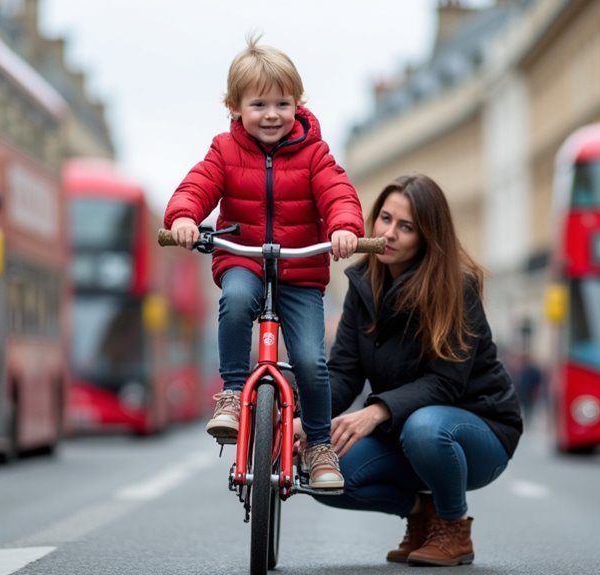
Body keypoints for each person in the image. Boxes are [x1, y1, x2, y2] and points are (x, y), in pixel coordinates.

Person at [163, 34, 365, 490]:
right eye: (258, 104)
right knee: (235, 300)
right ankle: (233, 393)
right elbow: (196, 187)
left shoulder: (315, 153)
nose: (271, 114)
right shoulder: (223, 150)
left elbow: (338, 193)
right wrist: (183, 218)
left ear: (298, 104)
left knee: (312, 361)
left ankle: (317, 445)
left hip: (301, 271)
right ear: (234, 106)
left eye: (282, 103)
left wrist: (344, 226)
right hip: (244, 257)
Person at [301, 173, 523, 565]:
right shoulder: (362, 284)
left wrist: (377, 411)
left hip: (478, 430)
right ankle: (422, 517)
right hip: (402, 430)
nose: (389, 233)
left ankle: (453, 528)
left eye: (406, 227)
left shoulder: (456, 286)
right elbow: (343, 373)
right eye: (385, 219)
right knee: (321, 473)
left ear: (427, 237)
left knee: (426, 427)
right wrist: (306, 418)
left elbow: (448, 382)